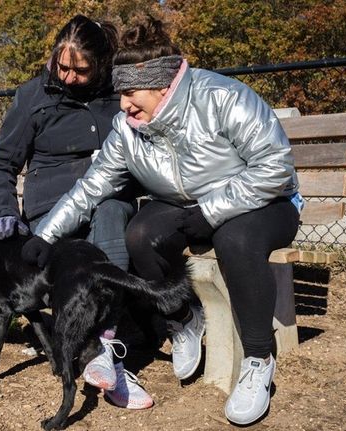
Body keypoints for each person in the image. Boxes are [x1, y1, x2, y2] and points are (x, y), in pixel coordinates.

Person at [21, 16, 303, 425]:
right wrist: (45, 234)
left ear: (163, 87)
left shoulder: (221, 97)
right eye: (120, 94)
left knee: (234, 240)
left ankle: (258, 359)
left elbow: (275, 167)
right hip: (185, 203)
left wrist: (211, 211)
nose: (123, 104)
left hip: (264, 200)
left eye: (131, 93)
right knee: (140, 234)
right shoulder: (128, 128)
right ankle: (184, 319)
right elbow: (91, 187)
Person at [0, 15, 152, 410]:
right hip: (52, 211)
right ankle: (96, 352)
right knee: (72, 248)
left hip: (110, 199)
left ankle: (106, 345)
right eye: (63, 67)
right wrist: (3, 212)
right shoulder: (32, 96)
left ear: (102, 63)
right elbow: (3, 164)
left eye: (81, 70)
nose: (70, 76)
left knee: (110, 210)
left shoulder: (119, 92)